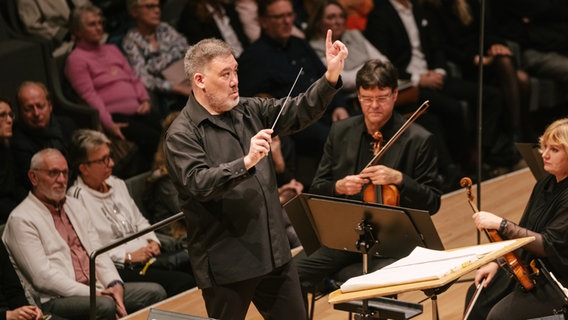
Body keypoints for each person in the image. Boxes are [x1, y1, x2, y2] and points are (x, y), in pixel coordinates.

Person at [163, 30, 348, 320]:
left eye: (235, 71)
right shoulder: (181, 134)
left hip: (274, 252)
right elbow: (199, 184)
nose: (235, 81)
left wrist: (330, 77)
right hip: (228, 263)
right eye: (225, 74)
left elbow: (298, 110)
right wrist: (246, 161)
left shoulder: (248, 109)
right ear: (199, 81)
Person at [293, 59, 441, 303]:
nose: (374, 106)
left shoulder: (418, 139)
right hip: (345, 237)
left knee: (374, 286)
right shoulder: (340, 131)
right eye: (366, 98)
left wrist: (401, 180)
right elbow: (318, 189)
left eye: (381, 98)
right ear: (358, 97)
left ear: (395, 94)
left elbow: (433, 202)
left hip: (394, 241)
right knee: (290, 275)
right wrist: (338, 187)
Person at [2, 148, 166, 319]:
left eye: (65, 173)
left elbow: (99, 252)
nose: (62, 179)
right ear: (33, 177)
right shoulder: (21, 219)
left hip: (97, 288)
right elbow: (42, 278)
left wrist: (114, 283)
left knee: (155, 293)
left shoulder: (74, 205)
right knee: (104, 305)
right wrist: (94, 293)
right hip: (55, 299)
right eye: (53, 173)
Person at [364, 0, 518, 172]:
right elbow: (382, 62)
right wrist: (418, 78)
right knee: (453, 107)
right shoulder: (379, 15)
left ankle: (480, 154)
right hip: (410, 84)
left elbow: (437, 47)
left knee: (491, 95)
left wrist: (440, 70)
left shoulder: (419, 9)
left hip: (434, 75)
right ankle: (463, 161)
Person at [67, 129, 195, 298]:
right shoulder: (76, 198)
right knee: (183, 282)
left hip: (149, 256)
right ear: (84, 168)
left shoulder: (117, 183)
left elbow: (139, 220)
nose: (111, 163)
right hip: (121, 267)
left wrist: (152, 241)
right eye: (103, 160)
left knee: (197, 266)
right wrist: (127, 256)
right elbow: (89, 247)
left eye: (110, 156)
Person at [238, 0, 352, 184]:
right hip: (294, 122)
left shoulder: (300, 44)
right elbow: (251, 108)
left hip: (325, 107)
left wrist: (339, 106)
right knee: (334, 138)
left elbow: (326, 73)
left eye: (290, 15)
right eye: (279, 17)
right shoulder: (253, 58)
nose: (287, 21)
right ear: (264, 21)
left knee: (359, 122)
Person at [465, 117, 568, 319]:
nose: (544, 155)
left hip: (557, 280)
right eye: (544, 147)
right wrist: (498, 262)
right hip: (531, 269)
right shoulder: (545, 183)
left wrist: (501, 224)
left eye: (554, 150)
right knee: (476, 294)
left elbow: (547, 244)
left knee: (499, 316)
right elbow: (525, 229)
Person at [65, 4, 162, 172]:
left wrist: (145, 99)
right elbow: (89, 96)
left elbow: (133, 77)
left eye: (100, 23)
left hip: (140, 110)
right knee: (156, 139)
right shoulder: (76, 59)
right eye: (92, 24)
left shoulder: (112, 49)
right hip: (117, 117)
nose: (99, 27)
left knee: (173, 131)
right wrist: (109, 124)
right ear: (77, 31)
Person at [424, 0, 532, 142]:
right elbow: (442, 47)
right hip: (463, 65)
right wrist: (474, 60)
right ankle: (517, 134)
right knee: (518, 77)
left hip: (485, 57)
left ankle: (517, 133)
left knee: (521, 77)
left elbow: (485, 31)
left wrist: (495, 45)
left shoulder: (470, 3)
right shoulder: (432, 8)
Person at [122, 0, 191, 117]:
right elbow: (142, 77)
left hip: (190, 75)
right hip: (170, 94)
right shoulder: (131, 41)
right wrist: (175, 87)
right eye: (150, 6)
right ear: (134, 12)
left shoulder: (164, 29)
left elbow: (187, 50)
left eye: (158, 6)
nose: (157, 10)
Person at [11, 81, 77, 192]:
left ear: (50, 105)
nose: (36, 113)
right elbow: (36, 184)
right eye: (28, 109)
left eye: (40, 106)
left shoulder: (67, 125)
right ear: (20, 112)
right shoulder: (18, 141)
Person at [16, 0, 91, 57]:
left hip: (89, 31)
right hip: (64, 42)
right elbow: (32, 25)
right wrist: (65, 34)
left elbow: (87, 7)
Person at [177, 0, 250, 58]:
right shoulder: (191, 16)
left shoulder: (228, 7)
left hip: (246, 58)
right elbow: (207, 53)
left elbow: (244, 41)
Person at [0, 98, 27, 224]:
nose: (10, 120)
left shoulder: (7, 149)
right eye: (2, 115)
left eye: (11, 115)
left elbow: (16, 187)